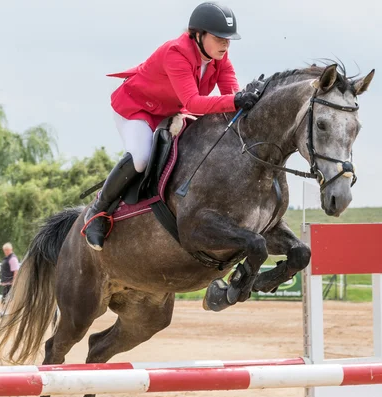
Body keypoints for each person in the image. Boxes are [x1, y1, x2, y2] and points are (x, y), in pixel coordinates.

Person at [82, 1, 260, 251]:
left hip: (171, 112)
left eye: (228, 39)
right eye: (220, 37)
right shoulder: (176, 52)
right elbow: (194, 102)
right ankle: (97, 211)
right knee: (141, 158)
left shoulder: (220, 57)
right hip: (136, 107)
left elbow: (232, 95)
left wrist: (250, 100)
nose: (225, 44)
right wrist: (234, 100)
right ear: (198, 35)